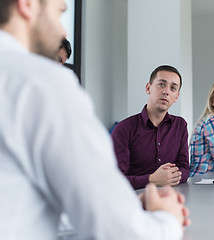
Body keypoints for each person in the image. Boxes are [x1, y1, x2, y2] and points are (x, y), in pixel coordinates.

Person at [0, 0, 189, 239]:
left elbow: (18, 197)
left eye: (173, 88)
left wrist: (119, 206)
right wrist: (167, 218)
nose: (64, 31)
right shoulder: (40, 82)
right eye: (59, 12)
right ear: (27, 4)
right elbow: (120, 233)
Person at [111, 65, 190, 190]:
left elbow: (185, 168)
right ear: (148, 88)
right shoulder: (123, 129)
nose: (166, 91)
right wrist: (152, 179)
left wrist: (168, 177)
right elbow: (116, 179)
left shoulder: (180, 125)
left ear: (176, 97)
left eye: (173, 88)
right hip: (134, 200)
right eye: (161, 84)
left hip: (169, 196)